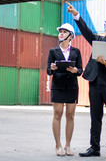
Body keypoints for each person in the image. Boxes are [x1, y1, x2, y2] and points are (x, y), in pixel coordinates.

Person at [66, 2, 106, 160]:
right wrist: (76, 15)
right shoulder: (98, 39)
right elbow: (86, 32)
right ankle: (94, 147)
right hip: (95, 83)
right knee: (95, 117)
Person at [47, 23, 83, 156]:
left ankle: (68, 145)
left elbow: (80, 70)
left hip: (72, 87)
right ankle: (58, 145)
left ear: (70, 36)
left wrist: (75, 70)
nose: (61, 34)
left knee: (70, 115)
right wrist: (52, 68)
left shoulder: (76, 52)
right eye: (60, 31)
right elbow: (48, 70)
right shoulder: (53, 51)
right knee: (57, 114)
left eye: (64, 32)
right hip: (58, 86)